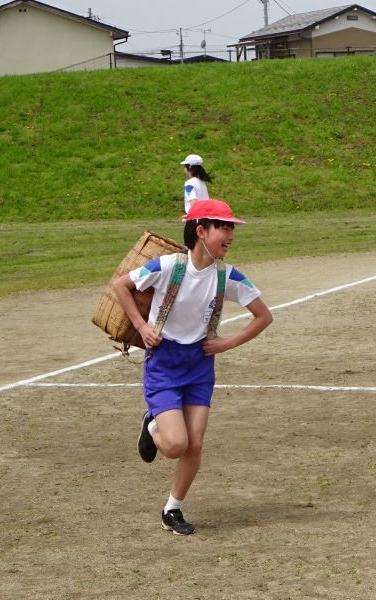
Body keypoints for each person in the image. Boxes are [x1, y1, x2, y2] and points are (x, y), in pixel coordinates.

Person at [113, 199, 273, 535]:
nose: (230, 235)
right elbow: (121, 286)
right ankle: (152, 424)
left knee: (195, 444)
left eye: (232, 228)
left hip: (200, 364)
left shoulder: (227, 276)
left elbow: (263, 316)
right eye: (223, 228)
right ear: (201, 231)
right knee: (175, 445)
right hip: (164, 362)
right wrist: (142, 327)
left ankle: (172, 509)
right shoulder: (169, 266)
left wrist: (227, 343)